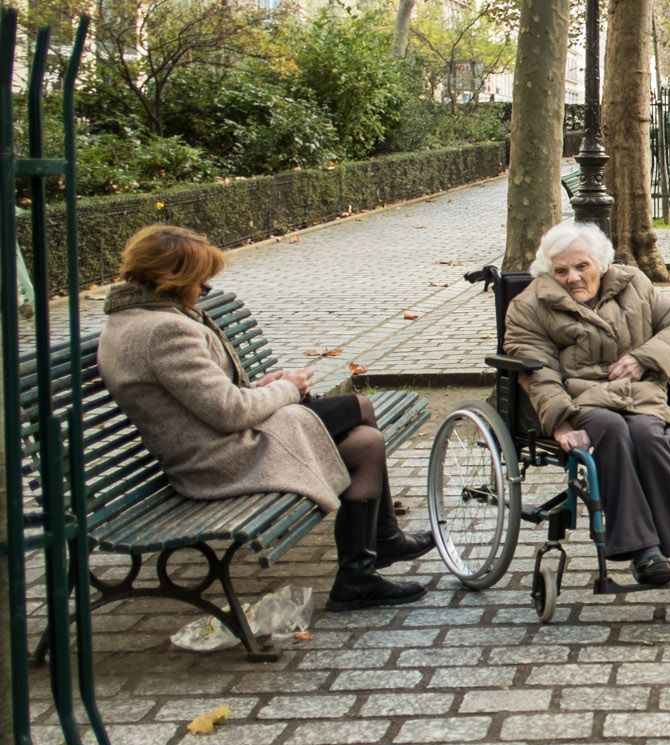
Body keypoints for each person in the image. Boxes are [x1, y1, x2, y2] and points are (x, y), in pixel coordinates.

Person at [97, 225, 432, 614]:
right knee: (360, 409)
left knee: (366, 441)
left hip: (216, 443)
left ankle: (363, 571)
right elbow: (230, 412)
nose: (205, 288)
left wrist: (260, 386)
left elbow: (200, 398)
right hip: (219, 459)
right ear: (172, 278)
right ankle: (378, 547)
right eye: (200, 279)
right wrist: (287, 388)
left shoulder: (135, 319)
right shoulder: (164, 329)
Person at [503, 221, 670, 586]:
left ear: (600, 263)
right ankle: (643, 551)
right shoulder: (528, 306)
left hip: (640, 397)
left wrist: (644, 357)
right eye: (561, 270)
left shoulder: (634, 284)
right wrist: (561, 423)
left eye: (581, 266)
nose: (573, 277)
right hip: (581, 400)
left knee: (647, 433)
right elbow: (538, 373)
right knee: (613, 430)